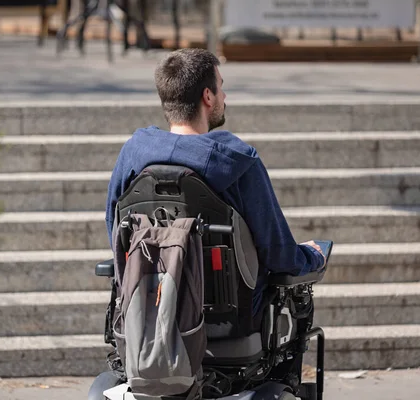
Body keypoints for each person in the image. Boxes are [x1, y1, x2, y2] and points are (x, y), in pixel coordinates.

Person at [105, 48, 326, 315]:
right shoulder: (239, 162)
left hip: (148, 311)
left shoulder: (133, 154)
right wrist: (312, 255)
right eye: (220, 87)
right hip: (231, 319)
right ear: (207, 96)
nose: (224, 96)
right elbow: (279, 256)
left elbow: (115, 228)